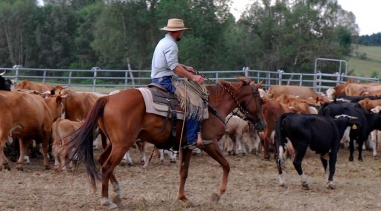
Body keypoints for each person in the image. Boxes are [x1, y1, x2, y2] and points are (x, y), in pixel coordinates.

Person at [151, 18, 205, 149]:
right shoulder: (171, 45)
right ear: (178, 31)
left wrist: (184, 67)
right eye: (182, 31)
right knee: (195, 103)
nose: (182, 34)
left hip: (156, 78)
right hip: (166, 80)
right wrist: (193, 77)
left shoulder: (163, 42)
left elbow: (169, 63)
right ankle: (191, 139)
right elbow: (174, 67)